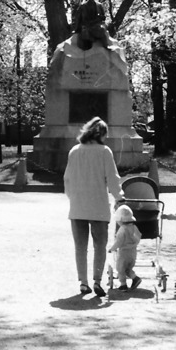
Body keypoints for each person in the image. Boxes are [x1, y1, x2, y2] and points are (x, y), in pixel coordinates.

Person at [63, 116, 124, 297]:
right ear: (102, 134)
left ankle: (83, 282)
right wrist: (119, 197)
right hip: (98, 204)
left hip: (78, 205)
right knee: (99, 245)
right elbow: (112, 178)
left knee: (80, 247)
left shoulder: (74, 151)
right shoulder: (104, 152)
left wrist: (72, 197)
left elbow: (67, 178)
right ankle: (97, 280)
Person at [108, 204, 142, 291]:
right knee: (128, 269)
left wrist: (112, 248)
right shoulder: (134, 227)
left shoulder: (122, 229)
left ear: (120, 220)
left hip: (123, 253)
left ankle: (123, 284)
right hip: (133, 253)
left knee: (120, 269)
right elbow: (139, 237)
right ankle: (135, 278)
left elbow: (119, 242)